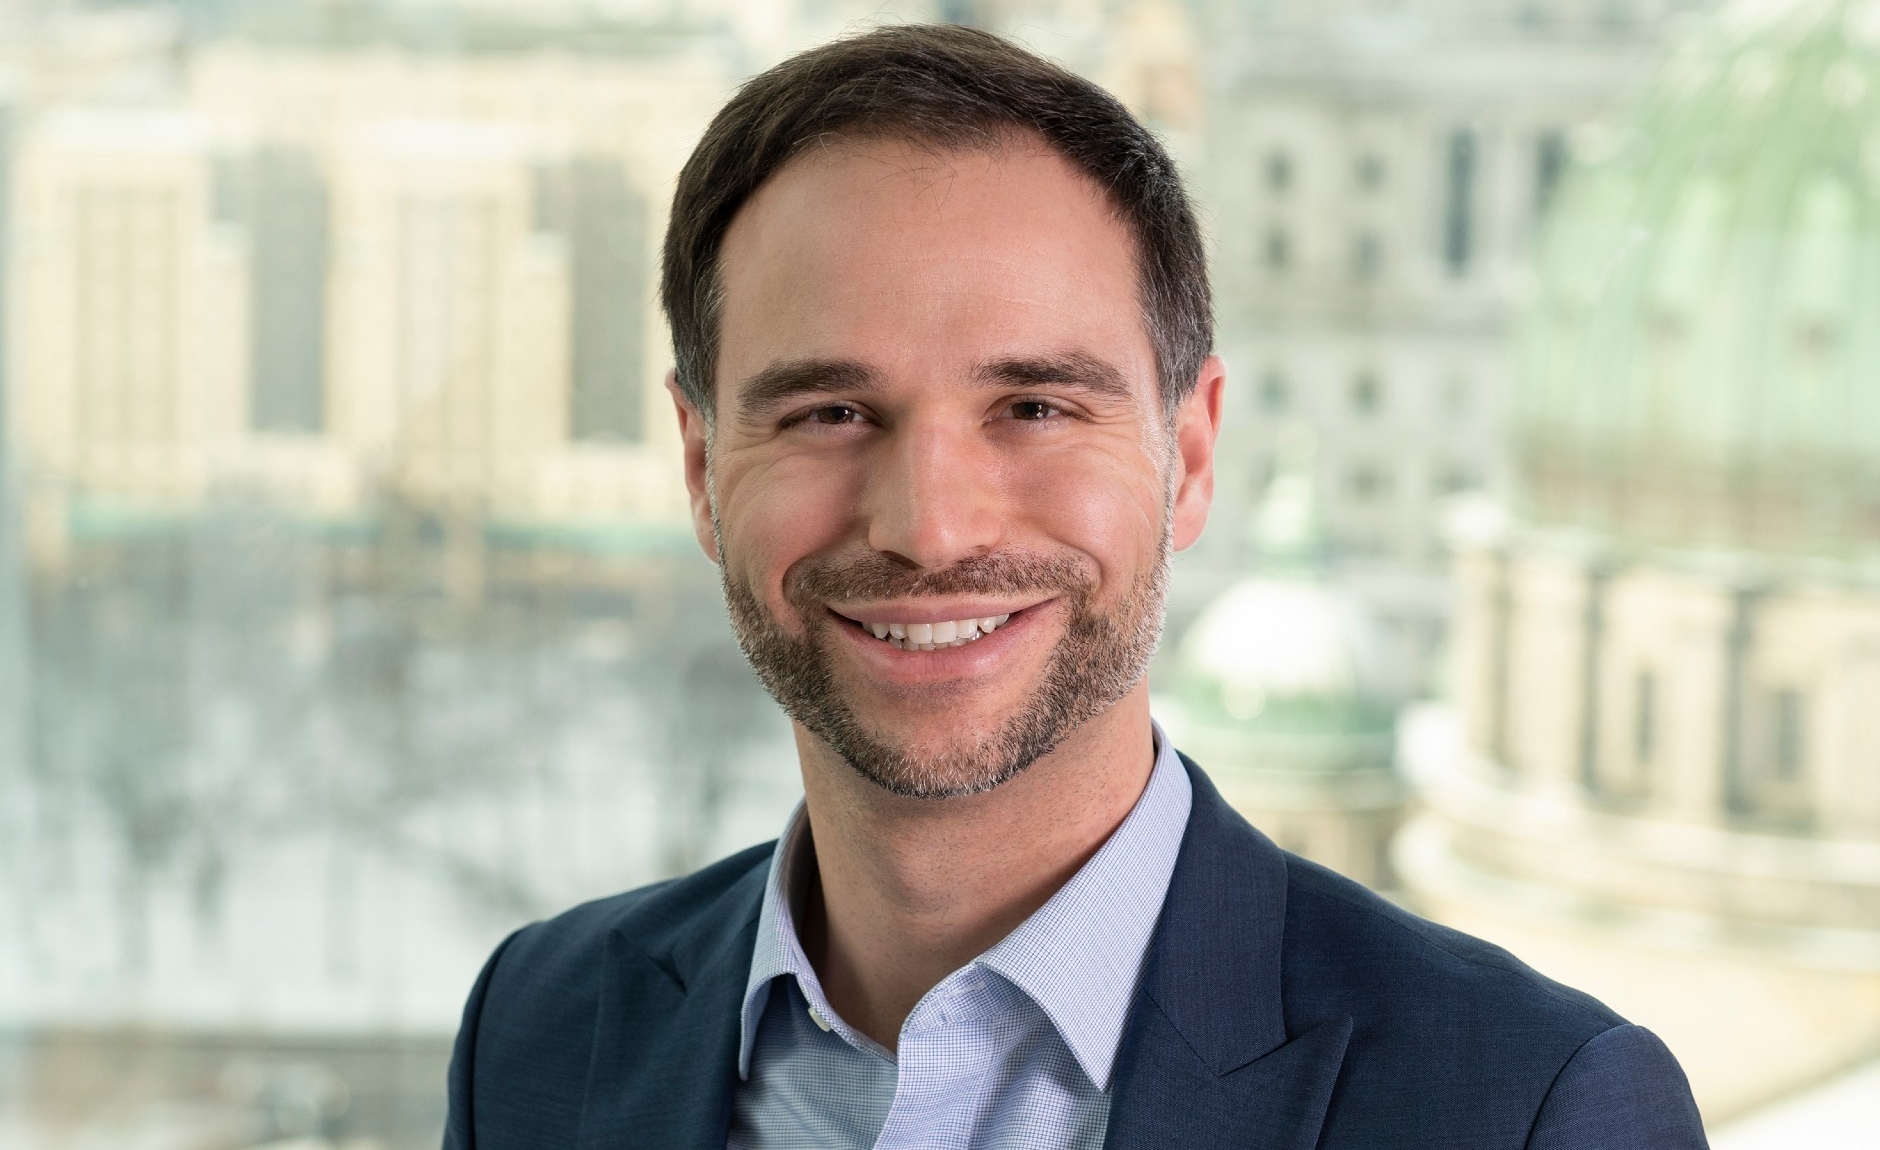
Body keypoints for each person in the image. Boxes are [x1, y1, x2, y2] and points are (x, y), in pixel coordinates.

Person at [442, 24, 1709, 1150]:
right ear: (703, 463)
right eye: (830, 411)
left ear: (1191, 457)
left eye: (1035, 406)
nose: (930, 527)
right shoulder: (540, 1032)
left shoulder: (1527, 1110)